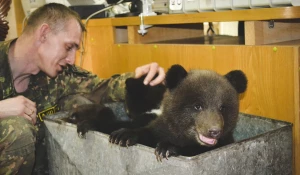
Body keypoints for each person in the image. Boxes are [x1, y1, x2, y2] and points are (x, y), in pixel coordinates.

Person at [0, 3, 165, 175]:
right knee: (17, 129)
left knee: (79, 105)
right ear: (44, 34)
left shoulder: (59, 75)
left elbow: (101, 88)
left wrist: (141, 79)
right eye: (68, 47)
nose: (71, 59)